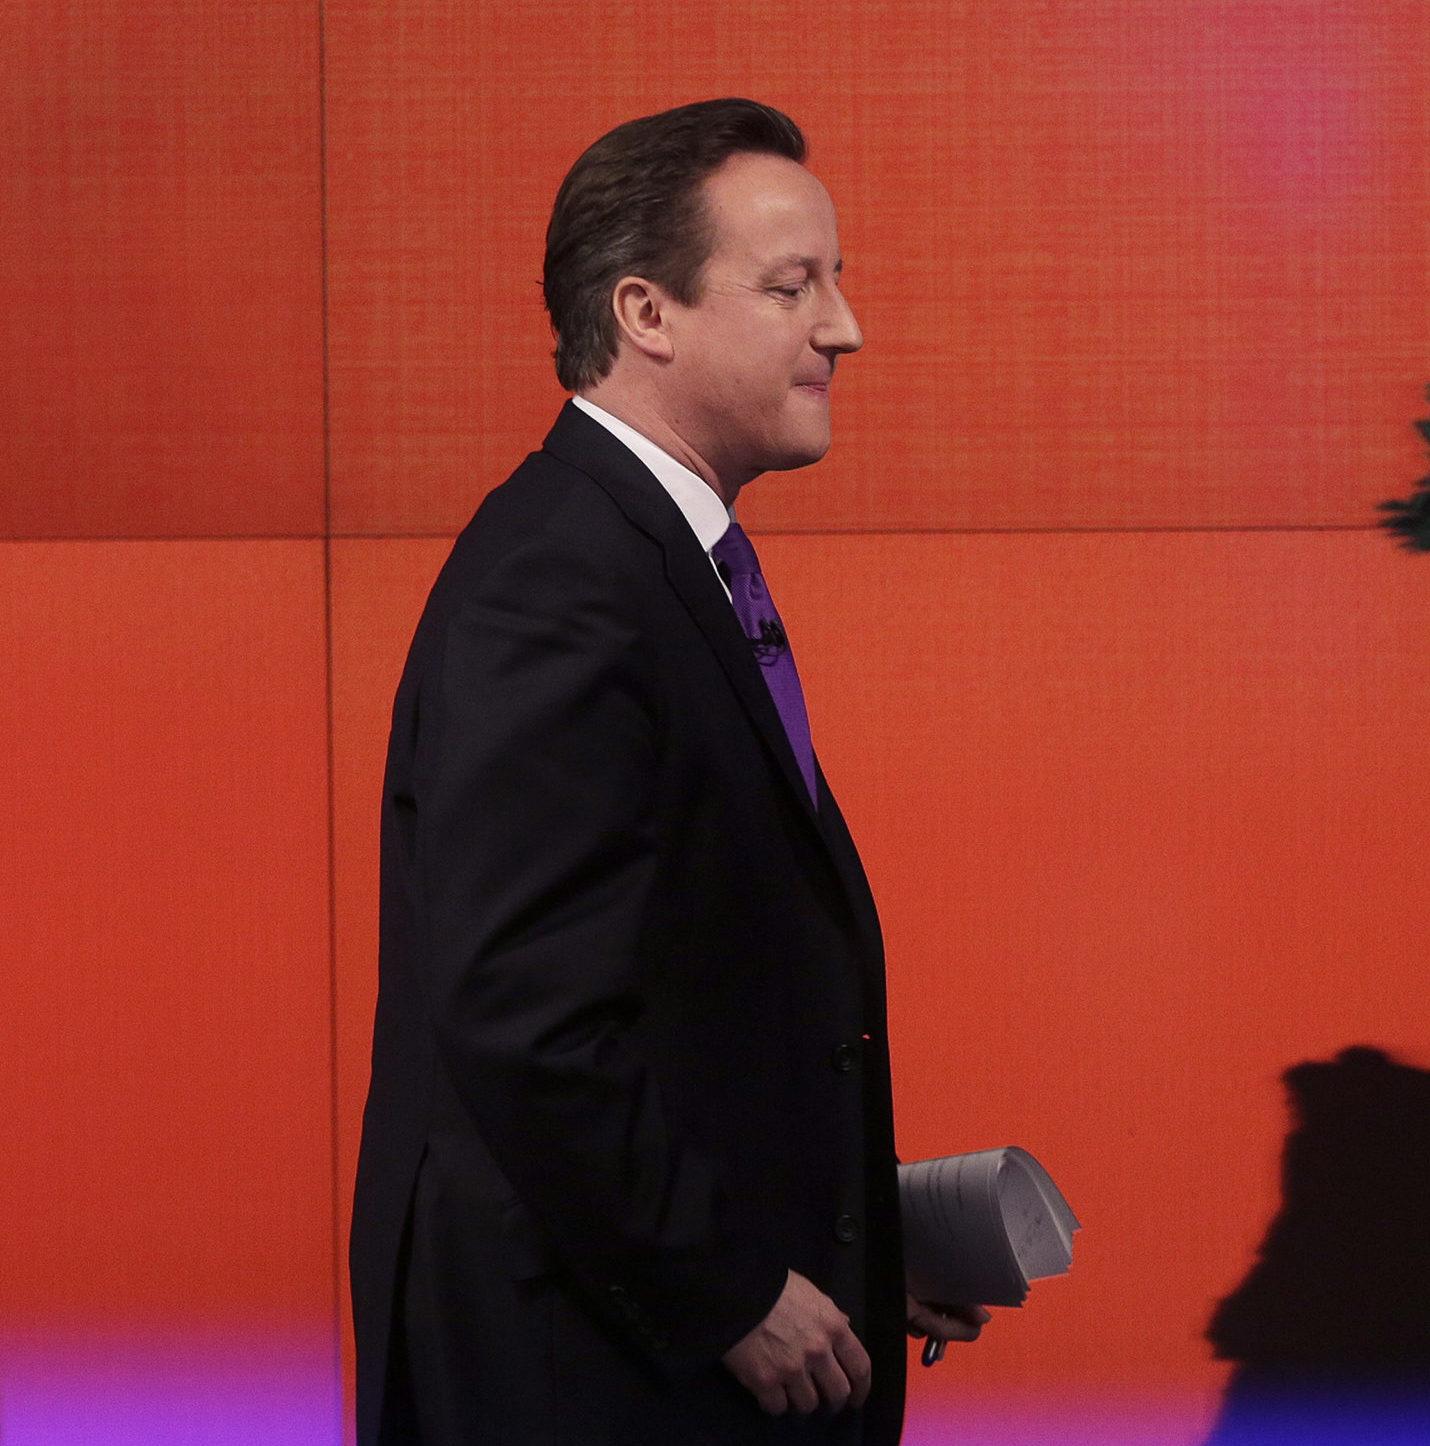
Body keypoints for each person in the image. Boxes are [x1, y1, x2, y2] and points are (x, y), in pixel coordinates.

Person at [349, 98, 985, 1446]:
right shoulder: (560, 582)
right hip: (590, 1379)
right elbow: (528, 1014)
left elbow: (678, 996)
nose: (843, 328)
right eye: (791, 285)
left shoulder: (636, 557)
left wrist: (854, 1245)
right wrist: (726, 1285)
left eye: (838, 280)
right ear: (647, 312)